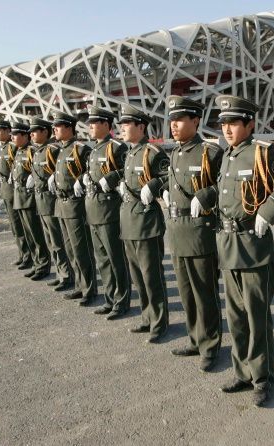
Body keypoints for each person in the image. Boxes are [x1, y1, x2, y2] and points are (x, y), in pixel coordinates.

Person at [213, 95, 274, 406]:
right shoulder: (228, 155)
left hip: (253, 246)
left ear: (250, 123)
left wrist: (268, 212)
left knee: (256, 317)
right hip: (228, 245)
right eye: (223, 123)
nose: (227, 128)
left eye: (233, 122)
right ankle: (242, 372)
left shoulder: (263, 152)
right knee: (235, 316)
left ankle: (262, 378)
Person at [162, 95, 223, 371]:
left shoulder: (210, 152)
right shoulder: (174, 152)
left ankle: (210, 344)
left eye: (180, 120)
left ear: (195, 121)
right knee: (186, 292)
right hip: (177, 232)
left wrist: (207, 194)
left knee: (204, 292)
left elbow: (226, 186)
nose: (174, 125)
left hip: (200, 232)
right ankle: (194, 338)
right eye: (172, 120)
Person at [118, 103, 170, 343]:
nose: (123, 128)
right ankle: (147, 317)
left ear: (140, 127)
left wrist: (154, 185)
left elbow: (167, 173)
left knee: (152, 276)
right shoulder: (130, 153)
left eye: (127, 124)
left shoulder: (152, 152)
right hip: (129, 221)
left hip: (147, 222)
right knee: (138, 276)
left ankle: (159, 322)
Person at [83, 106, 132, 320]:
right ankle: (110, 298)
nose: (90, 126)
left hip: (110, 210)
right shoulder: (94, 149)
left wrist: (111, 177)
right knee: (102, 259)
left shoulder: (117, 147)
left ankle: (121, 301)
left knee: (115, 258)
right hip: (93, 209)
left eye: (94, 122)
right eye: (89, 123)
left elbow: (127, 169)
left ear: (106, 124)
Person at [49, 112, 98, 305]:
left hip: (76, 205)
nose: (54, 130)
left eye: (58, 126)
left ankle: (89, 289)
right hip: (62, 204)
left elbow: (90, 170)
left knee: (81, 248)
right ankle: (80, 285)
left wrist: (80, 179)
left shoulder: (81, 149)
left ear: (69, 128)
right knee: (70, 249)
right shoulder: (61, 150)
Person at [28, 117, 74, 291]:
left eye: (35, 131)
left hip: (52, 200)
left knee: (58, 241)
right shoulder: (38, 151)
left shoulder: (53, 149)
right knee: (51, 241)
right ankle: (61, 273)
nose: (31, 134)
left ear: (44, 132)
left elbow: (62, 172)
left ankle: (67, 275)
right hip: (41, 201)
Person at [10, 122, 51, 280]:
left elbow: (39, 170)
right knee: (28, 234)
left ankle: (42, 264)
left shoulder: (31, 150)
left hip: (29, 198)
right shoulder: (19, 151)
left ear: (24, 136)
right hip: (19, 197)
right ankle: (36, 263)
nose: (12, 137)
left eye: (15, 135)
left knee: (36, 234)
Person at [0, 119, 31, 268]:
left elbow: (21, 165)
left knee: (20, 225)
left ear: (6, 131)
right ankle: (22, 254)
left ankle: (28, 256)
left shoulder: (12, 147)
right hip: (6, 190)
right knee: (14, 226)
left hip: (14, 190)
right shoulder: (4, 148)